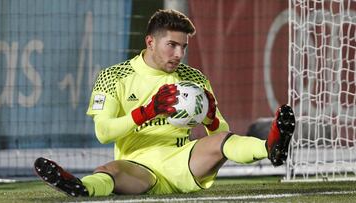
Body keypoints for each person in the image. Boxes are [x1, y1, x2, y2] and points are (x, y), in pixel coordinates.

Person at [34, 9, 295, 197]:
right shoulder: (113, 77)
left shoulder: (193, 78)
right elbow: (103, 133)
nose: (179, 54)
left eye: (183, 46)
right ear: (150, 41)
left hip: (185, 161)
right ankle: (81, 187)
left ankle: (270, 148)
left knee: (222, 140)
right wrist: (147, 112)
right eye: (172, 45)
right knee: (109, 171)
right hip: (138, 166)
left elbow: (218, 134)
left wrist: (212, 119)